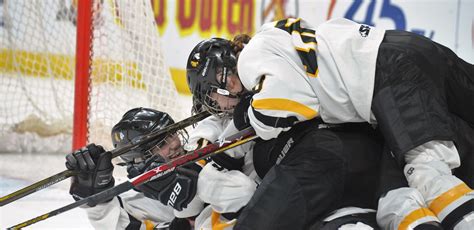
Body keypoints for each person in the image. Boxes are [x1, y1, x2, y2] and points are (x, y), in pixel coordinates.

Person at [186, 17, 474, 229]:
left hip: (388, 78)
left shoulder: (251, 59)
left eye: (212, 95)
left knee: (428, 174)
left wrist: (245, 114)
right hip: (404, 49)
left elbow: (286, 106)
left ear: (223, 79)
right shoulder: (276, 38)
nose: (219, 106)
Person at [65, 107, 192, 229]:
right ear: (140, 158)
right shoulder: (133, 206)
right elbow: (116, 224)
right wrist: (98, 202)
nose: (175, 143)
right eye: (162, 143)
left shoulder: (201, 161)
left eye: (172, 134)